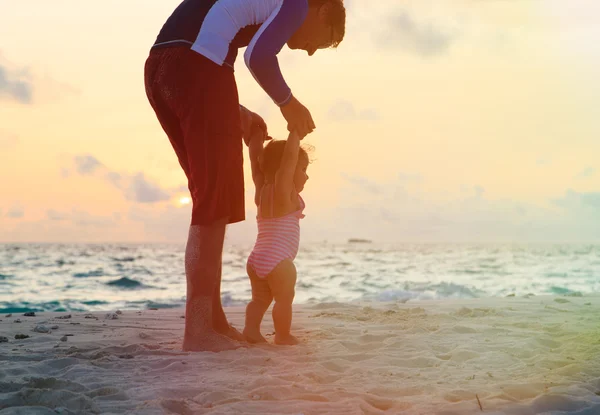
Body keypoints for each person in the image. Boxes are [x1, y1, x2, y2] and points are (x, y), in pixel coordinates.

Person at [144, 0, 345, 352]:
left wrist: (231, 110)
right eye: (322, 41)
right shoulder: (298, 3)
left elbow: (200, 37)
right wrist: (288, 103)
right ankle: (199, 330)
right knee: (213, 204)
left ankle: (213, 321)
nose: (312, 52)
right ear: (324, 10)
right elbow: (257, 57)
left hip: (161, 69)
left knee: (210, 198)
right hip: (198, 67)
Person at [243, 130, 309, 345]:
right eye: (303, 169)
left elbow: (255, 166)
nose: (306, 175)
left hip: (256, 259)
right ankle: (282, 335)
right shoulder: (284, 191)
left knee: (259, 300)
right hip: (279, 261)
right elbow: (289, 159)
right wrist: (295, 132)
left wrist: (254, 140)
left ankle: (251, 331)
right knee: (284, 299)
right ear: (287, 170)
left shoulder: (261, 191)